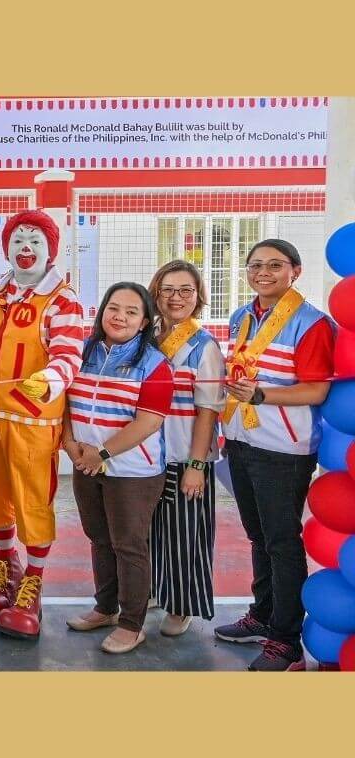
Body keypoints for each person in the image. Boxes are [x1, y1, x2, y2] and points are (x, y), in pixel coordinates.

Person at [215, 239, 334, 671]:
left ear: (295, 271)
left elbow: (316, 389)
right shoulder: (241, 317)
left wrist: (262, 395)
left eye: (275, 265)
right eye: (255, 265)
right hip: (243, 441)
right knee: (259, 537)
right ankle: (262, 615)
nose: (263, 272)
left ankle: (285, 640)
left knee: (283, 543)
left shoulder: (311, 323)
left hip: (284, 449)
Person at [0, 210, 83, 640]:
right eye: (18, 238)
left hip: (33, 422)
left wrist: (49, 380)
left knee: (33, 503)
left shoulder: (63, 300)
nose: (25, 247)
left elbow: (70, 356)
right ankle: (5, 568)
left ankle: (33, 584)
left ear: (50, 250)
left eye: (35, 241)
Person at [65, 282, 173, 654]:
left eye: (131, 312)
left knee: (129, 545)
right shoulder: (83, 351)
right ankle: (106, 608)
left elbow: (149, 423)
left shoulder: (154, 364)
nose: (120, 317)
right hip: (86, 463)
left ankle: (132, 624)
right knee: (99, 538)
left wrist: (103, 454)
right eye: (114, 308)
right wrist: (69, 443)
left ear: (144, 322)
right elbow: (65, 400)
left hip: (132, 471)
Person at [146, 260, 225, 636]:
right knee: (146, 532)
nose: (176, 298)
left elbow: (207, 410)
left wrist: (196, 464)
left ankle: (181, 604)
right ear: (156, 293)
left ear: (198, 297)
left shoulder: (204, 346)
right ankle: (149, 591)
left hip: (183, 456)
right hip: (143, 458)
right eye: (168, 290)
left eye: (186, 291)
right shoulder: (145, 336)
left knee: (184, 537)